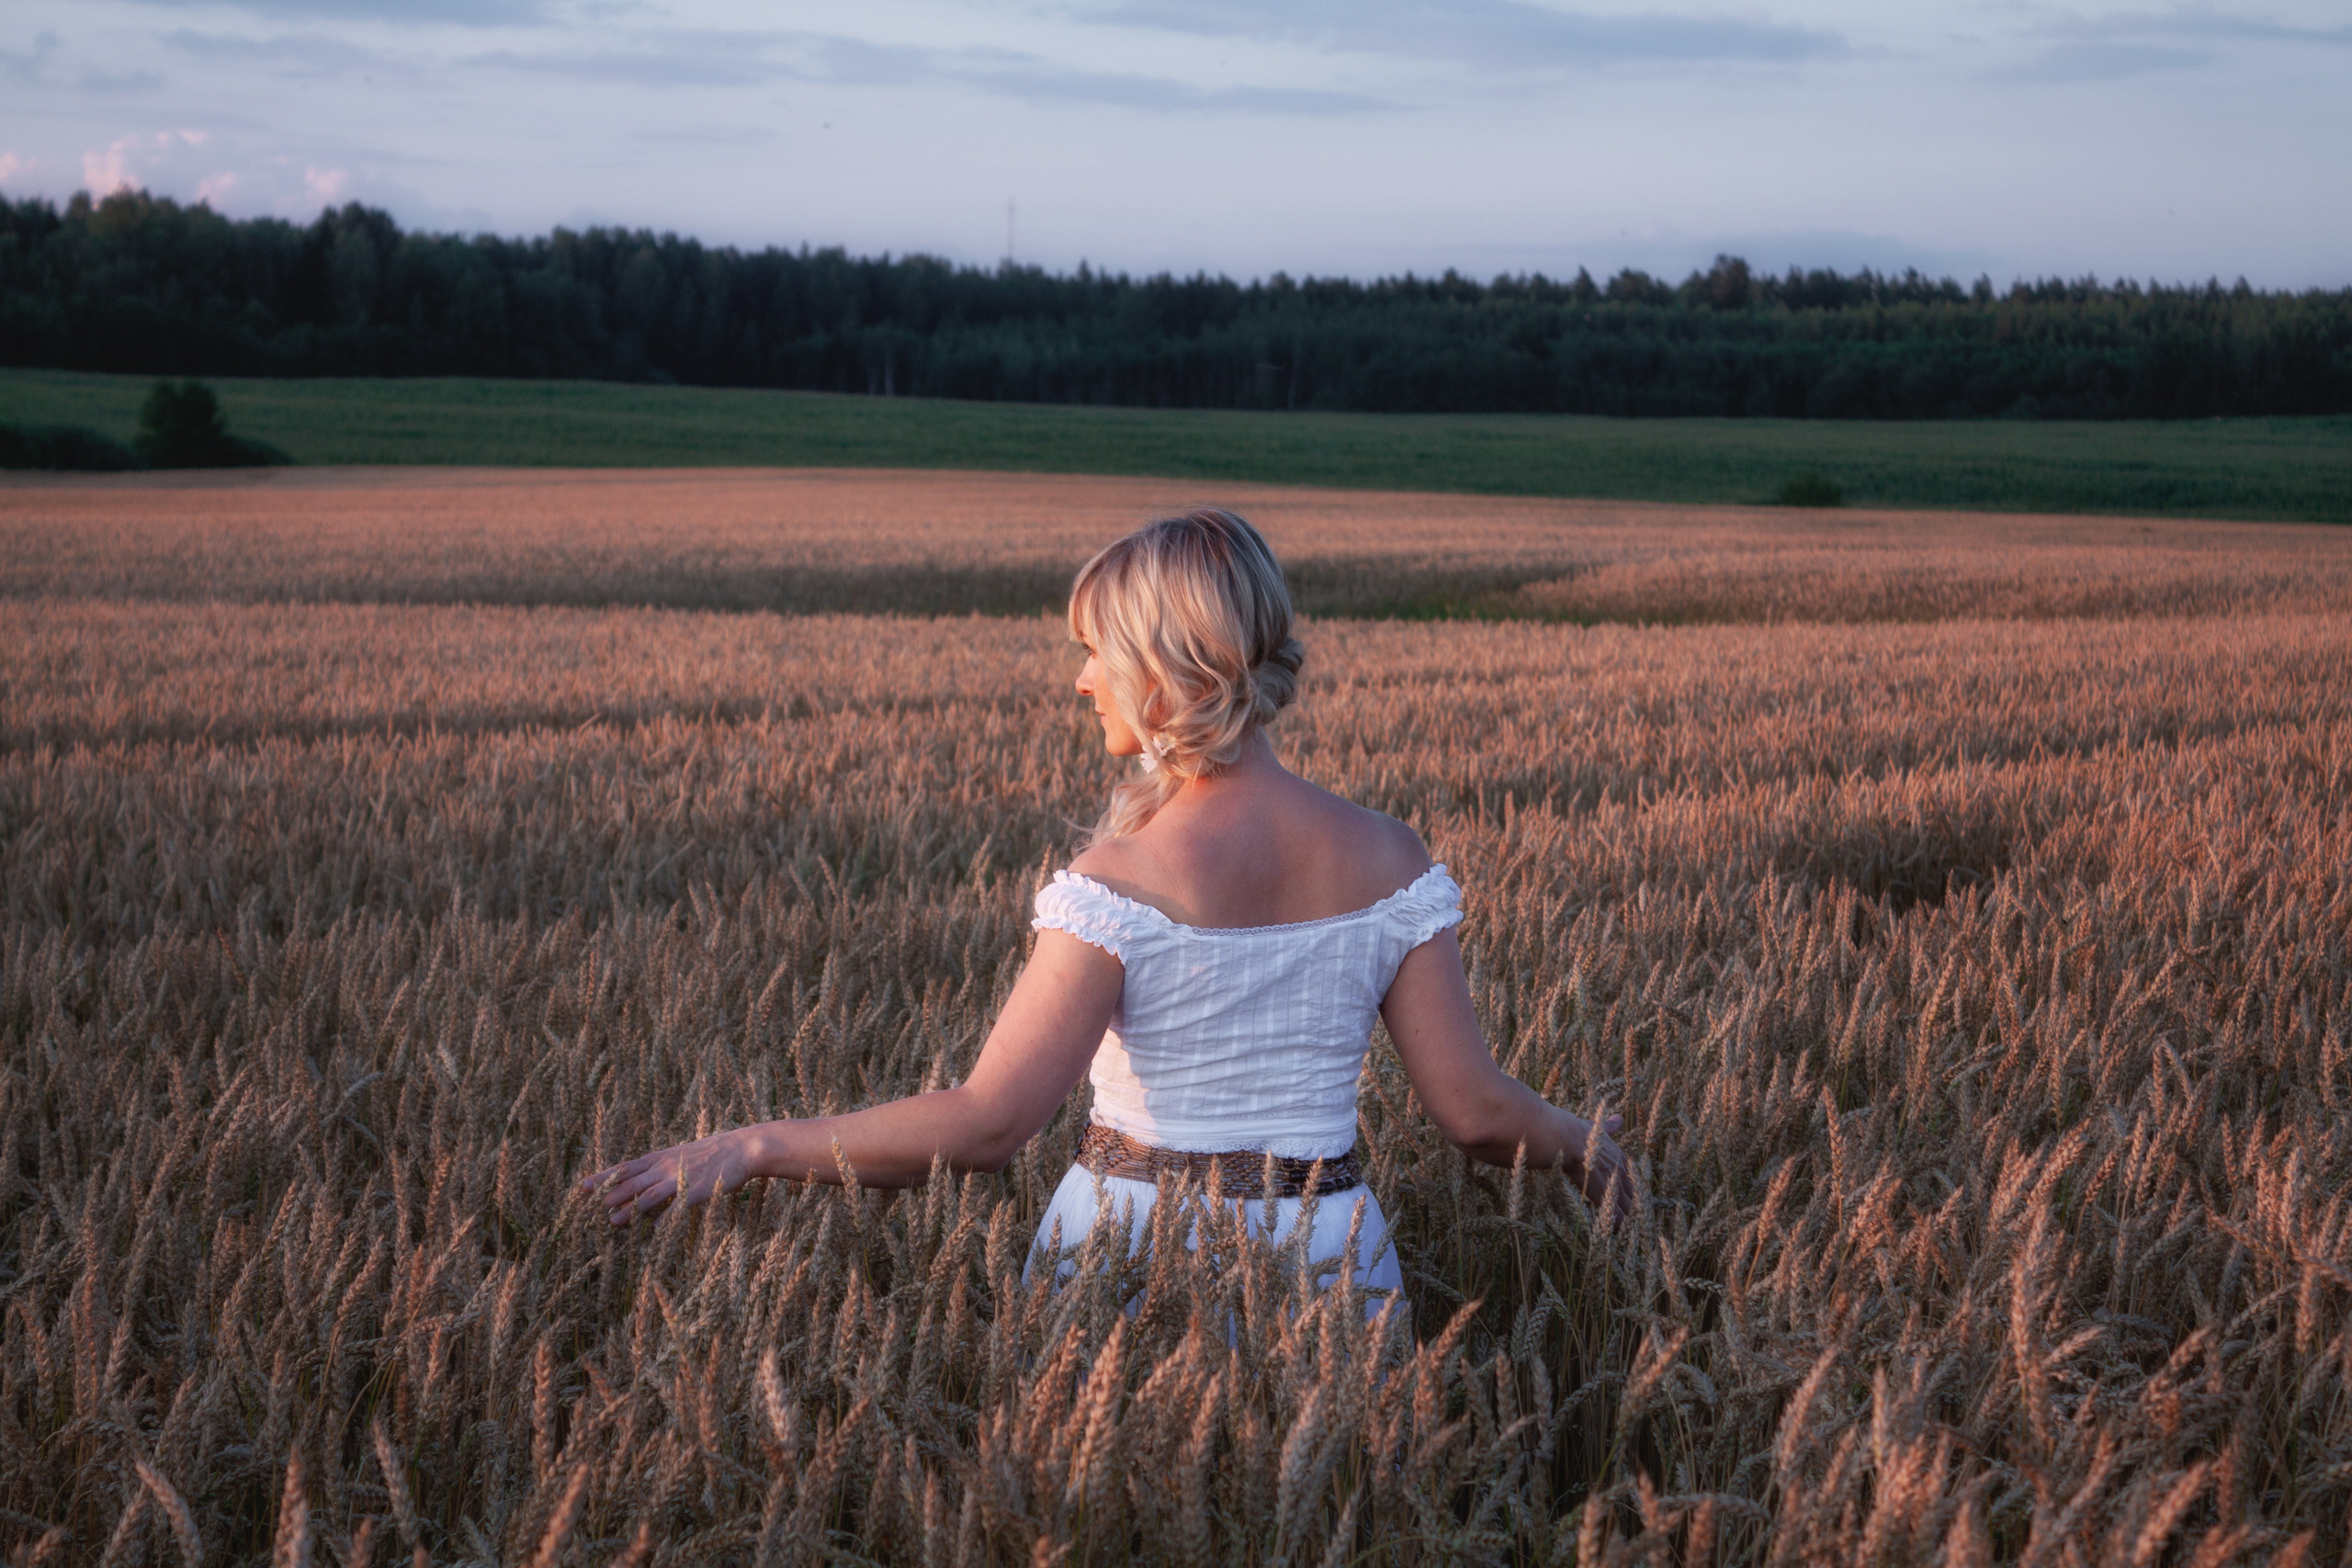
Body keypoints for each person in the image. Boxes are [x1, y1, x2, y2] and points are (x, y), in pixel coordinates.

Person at [582, 509, 1632, 1294]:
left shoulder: (1115, 890)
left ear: (1167, 672)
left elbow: (988, 1126)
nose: (1082, 681)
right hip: (1328, 1259)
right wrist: (1595, 1151)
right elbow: (1477, 1112)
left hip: (1126, 1256)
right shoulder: (1394, 859)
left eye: (1097, 653)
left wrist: (754, 1147)